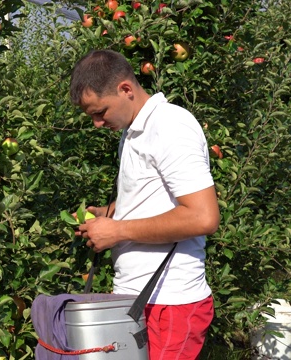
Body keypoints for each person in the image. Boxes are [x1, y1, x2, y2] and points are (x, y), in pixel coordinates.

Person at [69, 49, 220, 360]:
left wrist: (118, 230)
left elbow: (203, 217)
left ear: (125, 89)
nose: (97, 123)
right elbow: (152, 195)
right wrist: (109, 213)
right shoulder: (134, 130)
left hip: (171, 303)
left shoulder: (170, 127)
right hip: (138, 298)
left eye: (101, 112)